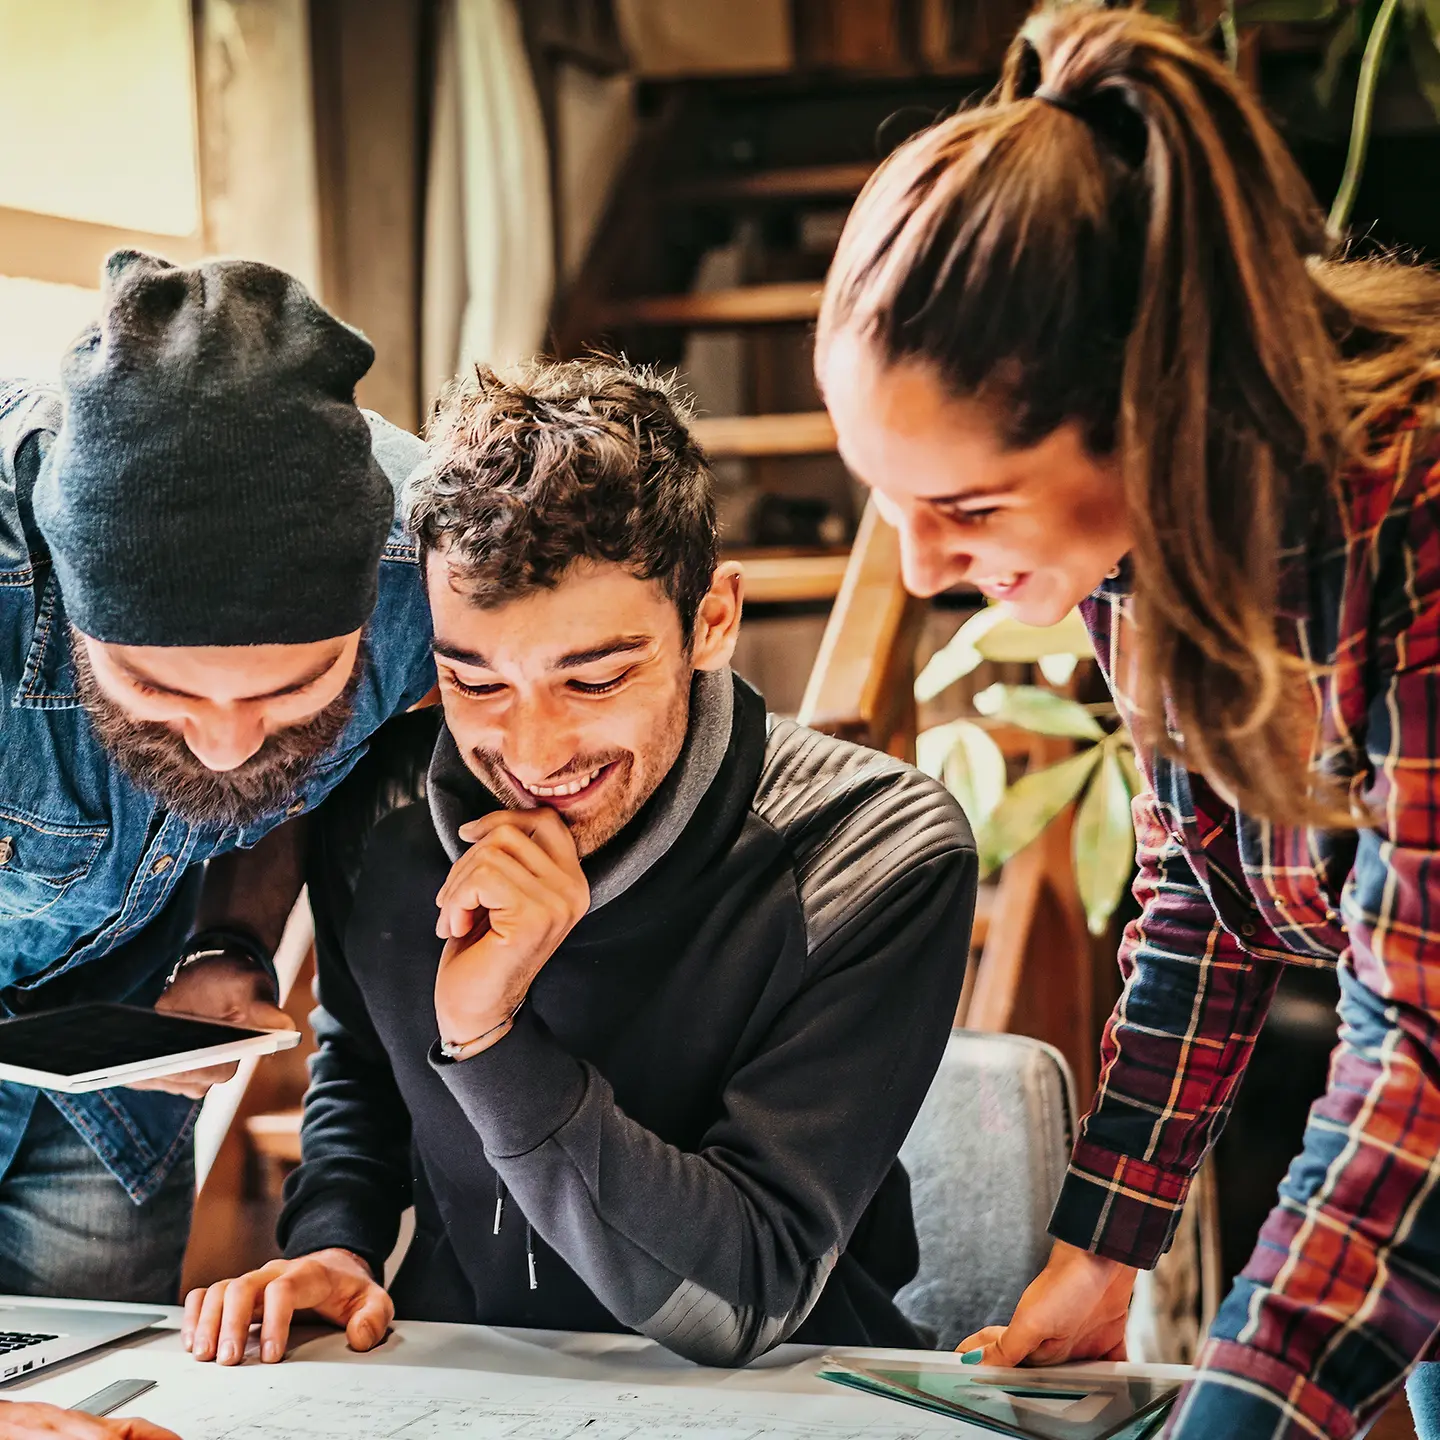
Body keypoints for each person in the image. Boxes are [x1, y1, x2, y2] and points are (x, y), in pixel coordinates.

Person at [812, 5, 1440, 1438]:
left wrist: (1249, 1395)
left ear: (1154, 405)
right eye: (887, 497)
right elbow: (1203, 903)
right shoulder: (1139, 545)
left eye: (965, 506)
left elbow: (1428, 1040)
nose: (916, 570)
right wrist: (1106, 1252)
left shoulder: (1420, 516)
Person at [181, 356, 977, 1369]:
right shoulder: (378, 797)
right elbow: (364, 1061)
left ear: (713, 619)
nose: (534, 752)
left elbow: (741, 1297)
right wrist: (335, 1241)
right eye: (474, 683)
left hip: (785, 1399)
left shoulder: (875, 851)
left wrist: (488, 1039)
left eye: (594, 680)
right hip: (462, 1375)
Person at [0, 247, 435, 1320]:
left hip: (113, 1082)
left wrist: (227, 946)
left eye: (295, 692)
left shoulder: (435, 569)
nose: (232, 749)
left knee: (85, 1379)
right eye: (157, 691)